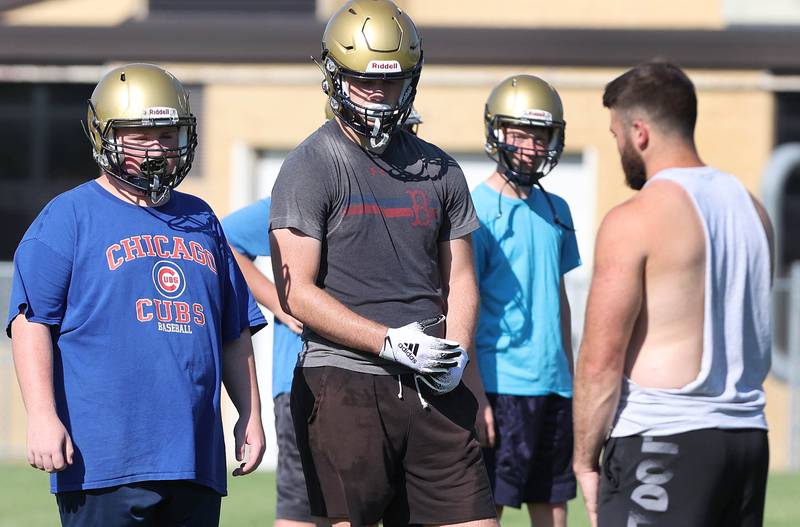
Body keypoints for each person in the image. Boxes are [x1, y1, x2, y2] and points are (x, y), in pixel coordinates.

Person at [268, 1, 498, 525]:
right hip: (345, 380)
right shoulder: (309, 165)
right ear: (333, 76)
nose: (376, 93)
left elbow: (461, 277)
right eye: (362, 80)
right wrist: (390, 342)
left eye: (390, 82)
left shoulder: (440, 167)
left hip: (433, 385)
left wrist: (456, 355)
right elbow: (296, 292)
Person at [8, 63, 267, 527]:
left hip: (195, 458)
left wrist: (251, 413)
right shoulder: (68, 216)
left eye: (168, 135)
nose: (158, 148)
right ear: (105, 136)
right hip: (102, 460)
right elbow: (31, 323)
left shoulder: (202, 219)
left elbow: (234, 330)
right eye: (139, 135)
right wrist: (42, 416)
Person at [573, 61, 774, 527]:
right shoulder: (754, 211)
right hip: (746, 440)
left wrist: (584, 459)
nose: (619, 145)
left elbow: (601, 360)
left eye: (616, 134)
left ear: (639, 132)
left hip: (665, 440)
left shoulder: (636, 219)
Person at [471, 75, 580, 527]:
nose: (532, 146)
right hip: (501, 385)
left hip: (554, 386)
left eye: (541, 136)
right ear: (496, 133)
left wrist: (573, 380)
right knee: (486, 507)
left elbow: (559, 298)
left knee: (554, 507)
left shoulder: (558, 209)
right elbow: (461, 306)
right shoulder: (474, 208)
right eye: (520, 133)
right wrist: (477, 396)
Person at [222, 200, 308, 527]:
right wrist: (280, 302)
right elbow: (225, 240)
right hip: (302, 378)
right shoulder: (306, 187)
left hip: (381, 378)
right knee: (301, 511)